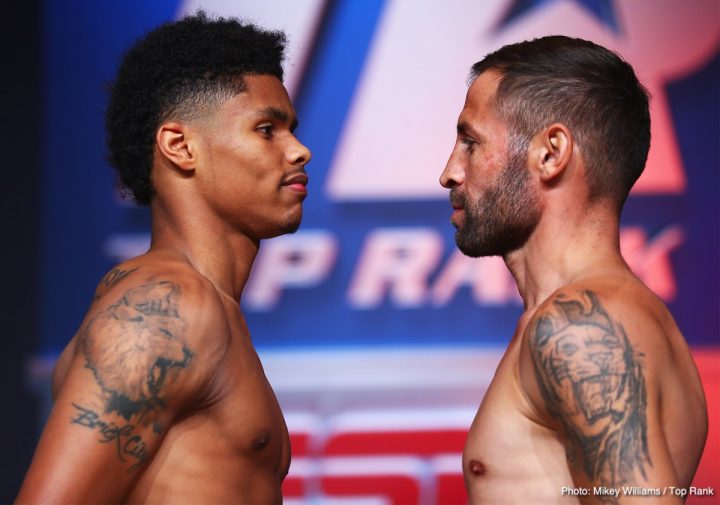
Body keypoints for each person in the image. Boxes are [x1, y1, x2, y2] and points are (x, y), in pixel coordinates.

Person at [17, 11, 311, 504]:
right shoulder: (165, 311)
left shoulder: (211, 311)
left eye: (291, 130)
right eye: (267, 130)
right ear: (180, 146)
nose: (299, 150)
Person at [439, 36, 707, 504]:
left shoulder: (580, 327)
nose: (450, 172)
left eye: (470, 142)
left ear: (551, 153)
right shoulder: (610, 313)